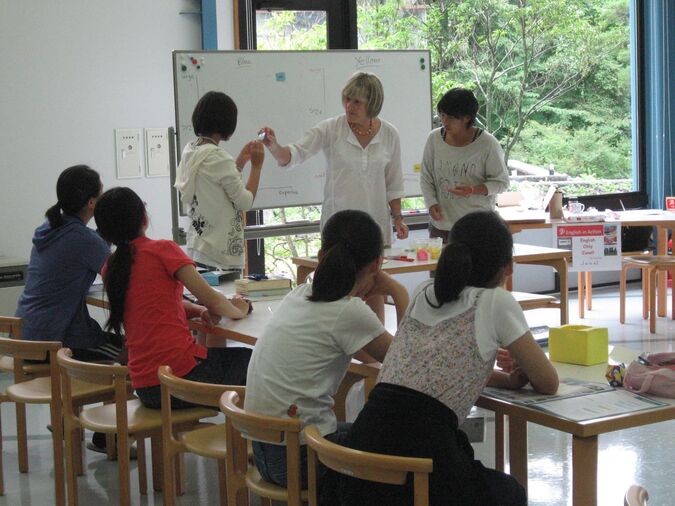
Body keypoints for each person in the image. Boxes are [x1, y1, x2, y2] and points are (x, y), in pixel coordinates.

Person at [343, 211, 559, 506]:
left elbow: (435, 370)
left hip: (365, 453)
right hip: (419, 463)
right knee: (509, 493)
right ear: (508, 266)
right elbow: (548, 382)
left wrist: (506, 380)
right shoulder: (496, 302)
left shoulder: (424, 293)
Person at [244, 209, 409, 500]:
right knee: (401, 449)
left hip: (264, 453)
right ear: (377, 264)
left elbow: (368, 353)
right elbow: (408, 362)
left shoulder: (299, 294)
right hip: (300, 462)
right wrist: (397, 292)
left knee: (362, 432)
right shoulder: (347, 311)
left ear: (321, 257)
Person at [93, 187, 253, 409]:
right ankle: (248, 439)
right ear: (143, 218)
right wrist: (240, 309)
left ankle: (216, 436)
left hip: (146, 385)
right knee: (253, 362)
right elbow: (213, 300)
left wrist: (197, 311)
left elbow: (153, 303)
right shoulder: (162, 250)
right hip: (179, 380)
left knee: (217, 356)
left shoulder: (110, 267)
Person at [15, 165, 125, 453]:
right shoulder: (83, 239)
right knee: (131, 356)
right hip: (56, 340)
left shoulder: (48, 228)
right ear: (91, 203)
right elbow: (120, 277)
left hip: (26, 334)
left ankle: (68, 415)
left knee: (109, 345)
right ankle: (106, 437)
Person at [259, 71, 409, 246]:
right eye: (347, 99)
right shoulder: (331, 129)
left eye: (357, 102)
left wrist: (398, 219)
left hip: (375, 229)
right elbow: (294, 155)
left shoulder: (390, 134)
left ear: (373, 104)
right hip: (338, 229)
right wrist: (274, 146)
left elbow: (394, 184)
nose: (349, 106)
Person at [175, 90, 264, 271]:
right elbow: (244, 202)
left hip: (199, 245)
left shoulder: (191, 151)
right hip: (219, 253)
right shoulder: (218, 157)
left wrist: (240, 162)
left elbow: (219, 187)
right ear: (227, 122)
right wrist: (256, 167)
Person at [420, 88, 510, 243]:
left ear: (467, 118)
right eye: (442, 115)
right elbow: (426, 177)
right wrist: (431, 203)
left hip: (476, 228)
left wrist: (473, 190)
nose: (445, 121)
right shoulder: (434, 138)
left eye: (451, 117)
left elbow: (502, 183)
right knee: (442, 268)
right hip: (441, 227)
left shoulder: (487, 144)